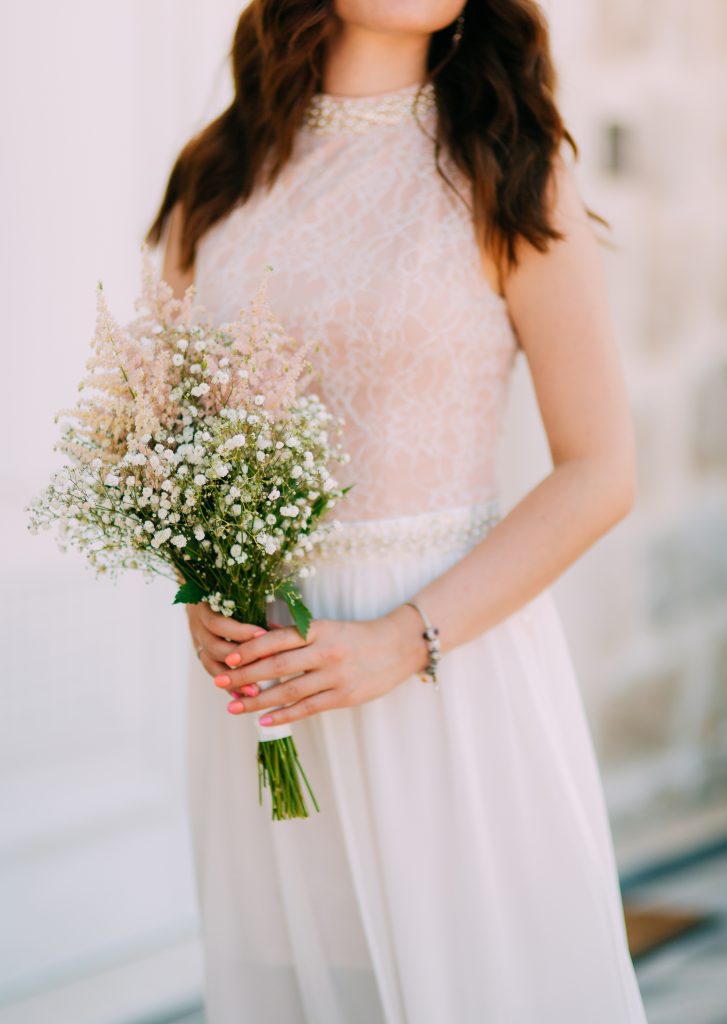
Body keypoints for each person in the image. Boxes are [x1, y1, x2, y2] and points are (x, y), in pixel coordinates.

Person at [147, 2, 649, 1021]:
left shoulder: (505, 163)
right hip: (267, 687)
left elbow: (599, 470)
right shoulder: (218, 173)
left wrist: (400, 640)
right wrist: (198, 584)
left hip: (445, 678)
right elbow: (172, 442)